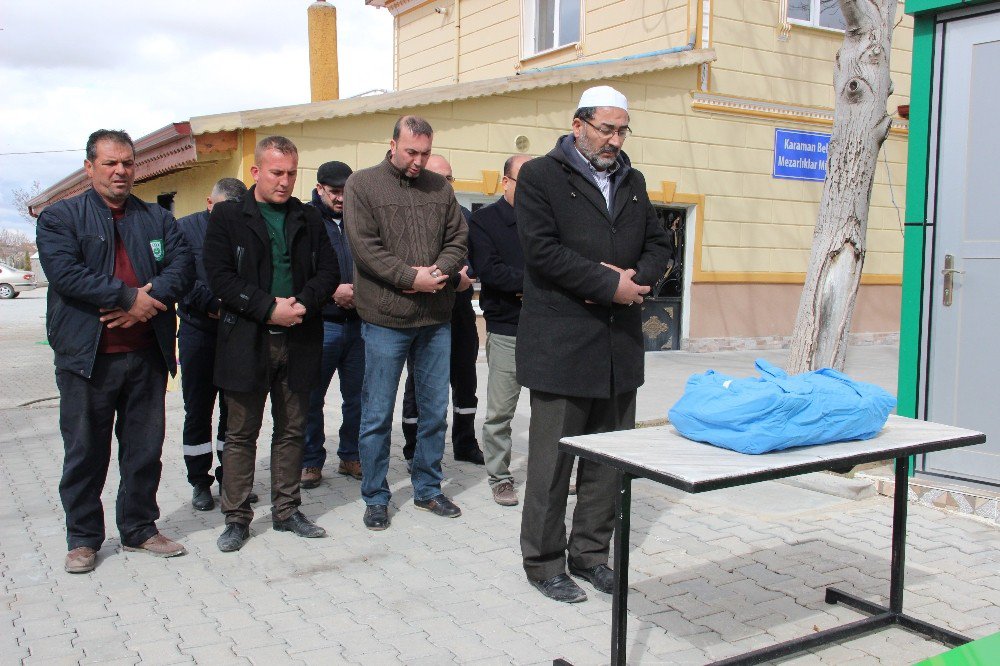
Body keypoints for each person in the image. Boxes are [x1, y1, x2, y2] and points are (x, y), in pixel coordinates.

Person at [516, 87, 672, 602]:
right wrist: (608, 285)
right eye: (606, 128)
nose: (615, 139)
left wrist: (639, 279)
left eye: (622, 129)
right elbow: (542, 252)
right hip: (562, 343)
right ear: (578, 124)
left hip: (618, 344)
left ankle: (589, 555)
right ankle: (543, 563)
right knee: (552, 464)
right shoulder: (541, 175)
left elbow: (658, 242)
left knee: (607, 463)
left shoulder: (633, 178)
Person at [36, 129, 195, 573]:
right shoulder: (60, 218)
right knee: (86, 451)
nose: (120, 171)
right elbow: (66, 273)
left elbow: (182, 267)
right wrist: (128, 299)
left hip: (146, 354)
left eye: (127, 162)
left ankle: (140, 528)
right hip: (87, 358)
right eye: (109, 163)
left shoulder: (157, 219)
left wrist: (146, 303)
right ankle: (84, 539)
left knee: (144, 450)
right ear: (89, 168)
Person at [203, 136, 340, 552]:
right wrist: (267, 308)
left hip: (299, 337)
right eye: (277, 173)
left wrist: (301, 304)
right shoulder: (228, 216)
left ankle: (286, 511)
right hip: (247, 339)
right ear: (256, 172)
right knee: (242, 432)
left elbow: (329, 271)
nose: (284, 182)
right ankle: (236, 517)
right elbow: (220, 276)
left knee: (292, 428)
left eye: (291, 174)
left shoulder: (307, 217)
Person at [344, 116, 468, 531]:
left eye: (425, 153)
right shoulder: (362, 184)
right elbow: (365, 247)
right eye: (411, 152)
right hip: (384, 320)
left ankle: (428, 488)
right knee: (377, 413)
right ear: (392, 144)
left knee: (434, 412)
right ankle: (376, 496)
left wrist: (439, 272)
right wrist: (407, 277)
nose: (418, 161)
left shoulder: (440, 188)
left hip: (435, 318)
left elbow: (458, 239)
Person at [176, 177, 260, 511]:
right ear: (210, 203)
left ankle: (231, 478)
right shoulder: (184, 231)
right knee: (198, 409)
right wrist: (215, 304)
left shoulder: (245, 229)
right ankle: (199, 481)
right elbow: (181, 279)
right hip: (199, 332)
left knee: (234, 410)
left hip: (235, 334)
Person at [401, 154, 484, 470]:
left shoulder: (464, 216)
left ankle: (465, 444)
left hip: (459, 309)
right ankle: (413, 449)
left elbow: (475, 263)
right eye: (439, 178)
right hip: (422, 311)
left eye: (450, 178)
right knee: (418, 383)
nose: (446, 184)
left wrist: (466, 276)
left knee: (465, 378)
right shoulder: (408, 215)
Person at [468, 154, 531, 506]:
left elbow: (563, 267)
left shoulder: (549, 219)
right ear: (505, 182)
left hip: (547, 328)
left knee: (552, 410)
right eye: (524, 180)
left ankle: (549, 472)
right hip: (507, 327)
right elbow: (491, 272)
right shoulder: (484, 221)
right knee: (500, 412)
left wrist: (527, 286)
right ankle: (500, 476)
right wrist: (535, 285)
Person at [301, 160, 365, 488]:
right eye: (334, 192)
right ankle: (311, 461)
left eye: (345, 192)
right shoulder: (306, 220)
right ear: (319, 190)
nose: (340, 199)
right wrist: (331, 293)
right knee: (312, 396)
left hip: (359, 324)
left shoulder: (361, 219)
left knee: (358, 397)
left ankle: (351, 455)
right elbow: (301, 272)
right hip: (321, 324)